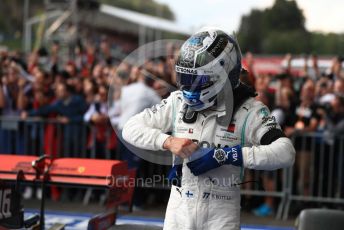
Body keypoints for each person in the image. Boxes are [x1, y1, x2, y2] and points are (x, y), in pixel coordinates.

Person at [122, 29, 295, 230]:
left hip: (221, 212)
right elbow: (130, 127)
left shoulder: (251, 111)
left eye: (199, 80)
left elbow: (285, 152)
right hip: (179, 208)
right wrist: (167, 141)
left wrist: (226, 155)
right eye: (185, 78)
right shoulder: (177, 102)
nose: (189, 87)